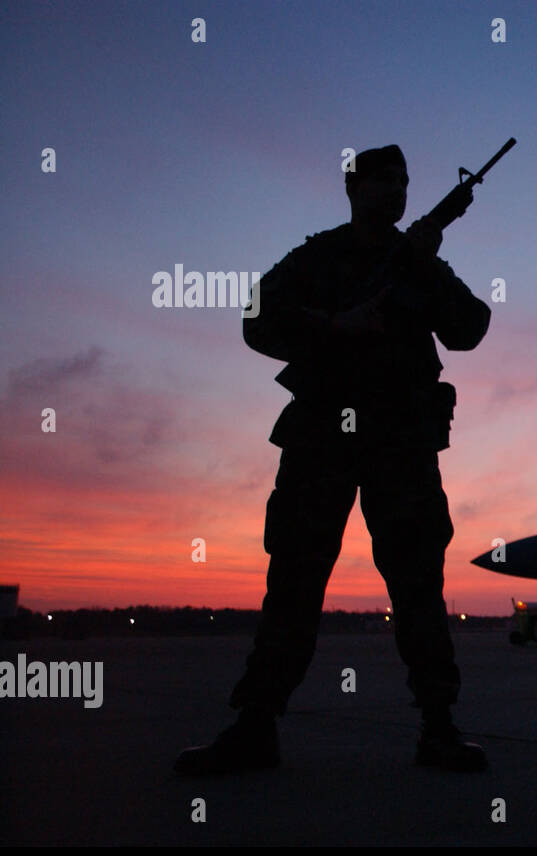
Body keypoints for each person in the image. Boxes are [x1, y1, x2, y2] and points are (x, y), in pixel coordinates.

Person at [175, 144, 490, 774]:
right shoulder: (318, 256)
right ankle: (256, 725)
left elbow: (470, 327)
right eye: (383, 179)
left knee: (418, 585)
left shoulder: (420, 260)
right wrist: (333, 326)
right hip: (322, 435)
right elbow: (256, 320)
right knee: (293, 580)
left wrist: (426, 268)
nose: (398, 190)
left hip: (401, 440)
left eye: (404, 180)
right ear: (354, 187)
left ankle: (439, 728)